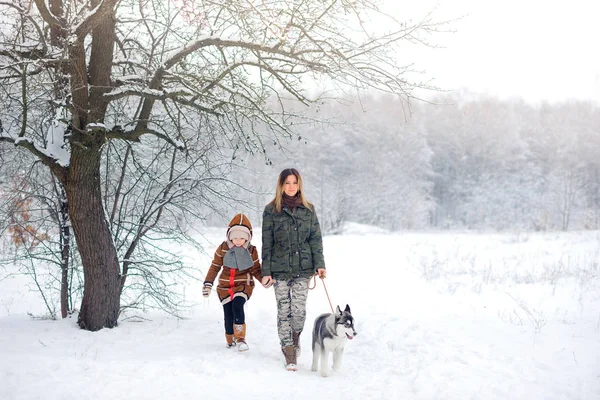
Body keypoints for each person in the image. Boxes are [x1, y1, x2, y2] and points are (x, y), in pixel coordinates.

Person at [261, 168, 326, 371]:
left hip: (303, 268)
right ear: (281, 185)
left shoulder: (308, 209)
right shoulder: (271, 210)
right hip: (279, 270)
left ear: (299, 185)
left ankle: (295, 338)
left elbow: (315, 239)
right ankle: (288, 350)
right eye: (287, 182)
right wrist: (266, 271)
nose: (291, 186)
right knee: (284, 311)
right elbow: (267, 242)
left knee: (298, 311)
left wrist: (320, 264)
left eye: (294, 182)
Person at [203, 213, 263, 352]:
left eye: (242, 238)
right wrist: (208, 283)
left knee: (238, 305)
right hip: (224, 286)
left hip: (243, 285)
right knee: (228, 313)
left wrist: (263, 280)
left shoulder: (251, 250)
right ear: (229, 236)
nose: (238, 241)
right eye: (235, 237)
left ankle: (241, 338)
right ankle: (230, 339)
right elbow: (215, 266)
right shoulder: (223, 248)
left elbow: (255, 269)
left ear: (248, 237)